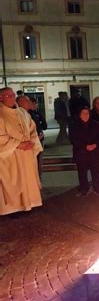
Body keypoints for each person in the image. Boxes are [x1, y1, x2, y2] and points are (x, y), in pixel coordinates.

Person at [0, 87, 43, 215]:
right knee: (15, 180)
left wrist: (33, 142)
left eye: (13, 94)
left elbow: (32, 130)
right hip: (12, 155)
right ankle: (14, 209)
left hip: (27, 154)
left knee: (28, 179)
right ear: (1, 98)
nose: (12, 97)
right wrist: (19, 144)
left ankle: (29, 204)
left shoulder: (24, 113)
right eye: (8, 95)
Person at [69, 107, 99, 196]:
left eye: (87, 113)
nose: (86, 115)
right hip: (81, 153)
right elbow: (73, 139)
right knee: (82, 173)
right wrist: (85, 146)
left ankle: (97, 188)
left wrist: (95, 145)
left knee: (96, 172)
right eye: (83, 113)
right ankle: (84, 188)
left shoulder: (95, 124)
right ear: (79, 114)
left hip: (94, 152)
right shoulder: (74, 125)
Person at [17, 96, 47, 177]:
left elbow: (42, 126)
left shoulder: (32, 113)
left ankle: (38, 177)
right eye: (27, 101)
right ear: (20, 103)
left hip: (37, 141)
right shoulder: (19, 115)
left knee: (38, 161)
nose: (29, 103)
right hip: (28, 145)